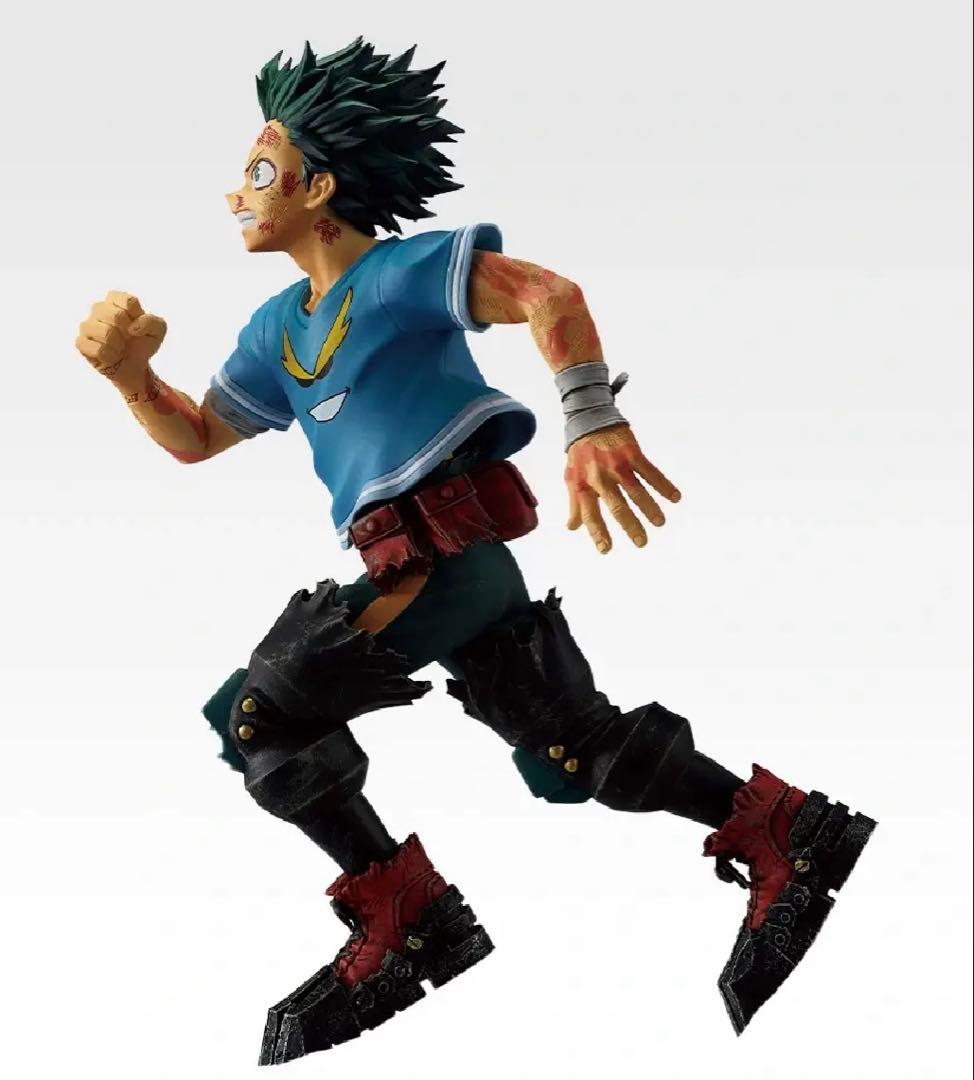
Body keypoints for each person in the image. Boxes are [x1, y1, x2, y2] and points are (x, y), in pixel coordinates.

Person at [74, 38, 876, 1066]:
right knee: (569, 749)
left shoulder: (400, 275)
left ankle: (410, 923)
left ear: (319, 187)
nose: (238, 192)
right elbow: (197, 437)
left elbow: (547, 294)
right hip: (416, 564)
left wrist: (591, 419)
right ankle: (785, 831)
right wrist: (131, 378)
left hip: (444, 556)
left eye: (261, 171)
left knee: (260, 712)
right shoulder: (276, 329)